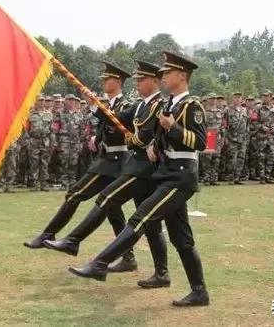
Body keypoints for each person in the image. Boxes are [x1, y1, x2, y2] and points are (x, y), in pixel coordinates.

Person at [69, 51, 210, 307]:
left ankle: (99, 264)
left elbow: (199, 142)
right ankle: (199, 291)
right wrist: (155, 144)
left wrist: (173, 128)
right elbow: (156, 134)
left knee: (141, 217)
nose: (164, 76)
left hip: (180, 176)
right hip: (166, 172)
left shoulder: (192, 106)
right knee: (182, 239)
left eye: (168, 73)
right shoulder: (169, 106)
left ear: (182, 75)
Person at [44, 60, 171, 286]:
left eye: (142, 79)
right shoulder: (141, 106)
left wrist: (147, 142)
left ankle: (74, 242)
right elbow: (116, 120)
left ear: (154, 80)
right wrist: (94, 104)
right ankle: (161, 273)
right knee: (150, 223)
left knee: (107, 199)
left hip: (144, 168)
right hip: (137, 167)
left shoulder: (160, 105)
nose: (138, 83)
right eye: (137, 79)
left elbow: (158, 132)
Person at [23, 61, 134, 267]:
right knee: (112, 210)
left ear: (117, 81)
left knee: (77, 195)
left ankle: (49, 234)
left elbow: (117, 124)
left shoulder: (125, 105)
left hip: (115, 162)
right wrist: (97, 139)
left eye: (106, 79)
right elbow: (107, 128)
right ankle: (128, 257)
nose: (103, 82)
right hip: (105, 159)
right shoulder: (107, 105)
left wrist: (93, 105)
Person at [222, 92, 248, 184]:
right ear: (233, 99)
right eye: (236, 98)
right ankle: (231, 177)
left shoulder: (244, 110)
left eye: (239, 98)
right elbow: (224, 125)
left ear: (242, 100)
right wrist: (225, 138)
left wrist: (246, 136)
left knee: (241, 158)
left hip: (243, 138)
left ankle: (237, 177)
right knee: (232, 159)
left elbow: (247, 124)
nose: (237, 99)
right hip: (232, 138)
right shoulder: (227, 110)